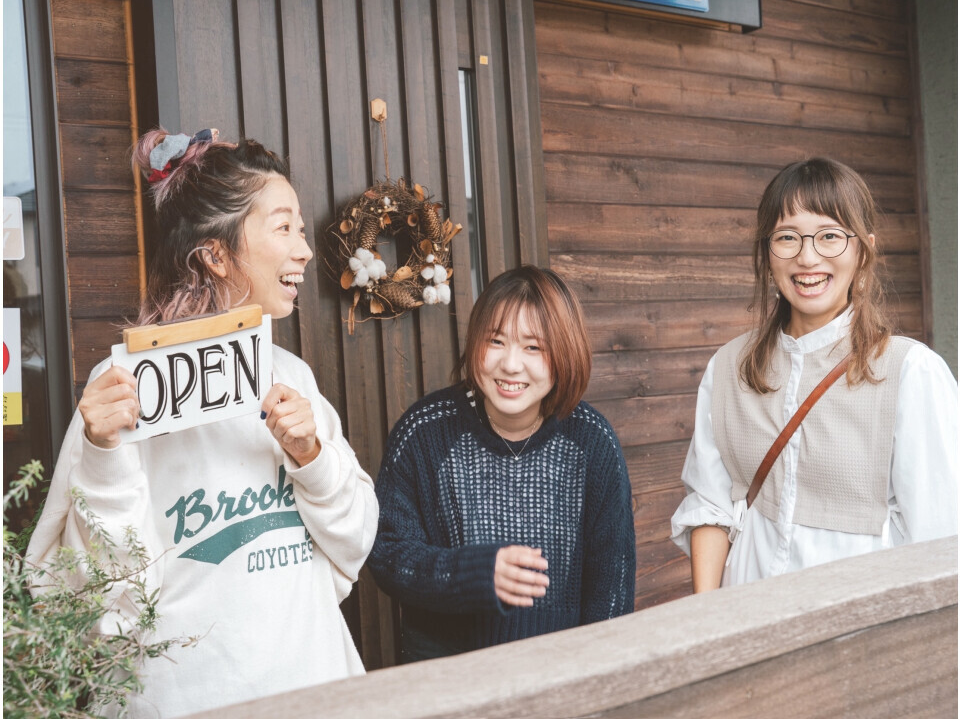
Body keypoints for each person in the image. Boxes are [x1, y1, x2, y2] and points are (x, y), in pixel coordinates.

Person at [27, 129, 378, 716]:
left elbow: (355, 540)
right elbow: (105, 602)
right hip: (186, 699)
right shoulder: (126, 388)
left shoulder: (290, 374)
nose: (304, 250)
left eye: (300, 228)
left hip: (316, 689)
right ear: (216, 255)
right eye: (284, 227)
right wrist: (103, 453)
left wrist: (313, 458)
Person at [670, 157, 958, 592]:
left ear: (863, 251)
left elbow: (941, 539)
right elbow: (711, 505)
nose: (807, 257)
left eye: (830, 236)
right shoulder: (729, 367)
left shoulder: (911, 372)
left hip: (860, 619)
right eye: (787, 237)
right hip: (747, 612)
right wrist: (707, 615)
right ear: (767, 253)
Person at [368, 265, 636, 662]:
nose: (511, 364)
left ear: (566, 352)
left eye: (533, 347)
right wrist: (471, 574)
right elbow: (386, 553)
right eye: (496, 341)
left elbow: (612, 589)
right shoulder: (424, 431)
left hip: (561, 671)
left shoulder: (591, 441)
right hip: (449, 676)